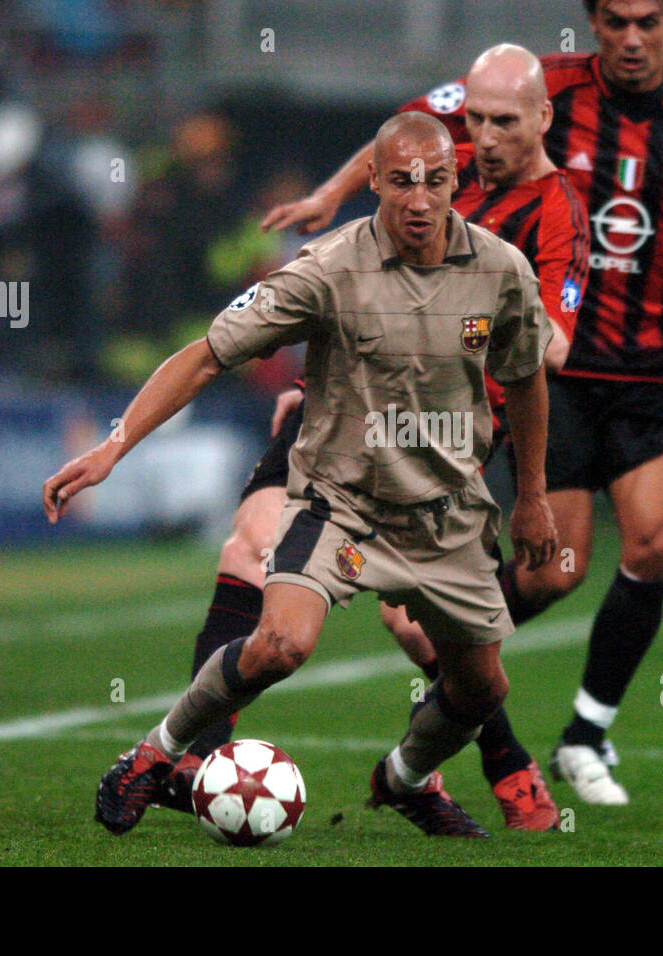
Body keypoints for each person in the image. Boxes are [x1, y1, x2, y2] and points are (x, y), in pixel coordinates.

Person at [263, 0, 663, 805]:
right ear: (594, 21)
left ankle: (584, 734)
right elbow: (408, 130)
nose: (631, 37)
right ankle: (454, 668)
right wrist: (334, 196)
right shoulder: (535, 88)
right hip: (553, 374)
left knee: (654, 544)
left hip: (655, 369)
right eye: (615, 20)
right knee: (553, 573)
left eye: (648, 21)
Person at [43, 111, 559, 837]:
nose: (419, 199)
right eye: (402, 181)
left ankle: (405, 777)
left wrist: (533, 496)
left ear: (455, 183)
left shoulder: (500, 270)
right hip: (340, 500)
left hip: (446, 510)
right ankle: (155, 755)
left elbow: (528, 378)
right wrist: (111, 447)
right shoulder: (325, 268)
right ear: (373, 179)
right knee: (281, 644)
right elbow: (205, 355)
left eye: (436, 182)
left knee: (479, 688)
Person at [156, 44, 589, 832]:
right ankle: (189, 760)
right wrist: (329, 197)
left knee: (428, 635)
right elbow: (395, 144)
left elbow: (548, 350)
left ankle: (468, 764)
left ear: (542, 120)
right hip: (340, 424)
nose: (481, 137)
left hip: (443, 446)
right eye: (474, 122)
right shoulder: (423, 167)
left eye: (501, 124)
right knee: (247, 551)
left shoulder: (550, 223)